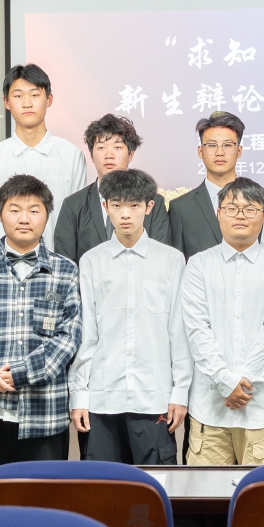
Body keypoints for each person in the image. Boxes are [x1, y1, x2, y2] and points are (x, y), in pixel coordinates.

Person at [0, 174, 82, 466]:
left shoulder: (65, 271)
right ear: (0, 214)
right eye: (14, 209)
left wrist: (20, 373)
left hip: (44, 409)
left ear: (47, 215)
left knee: (44, 492)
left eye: (34, 210)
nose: (24, 218)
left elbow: (69, 336)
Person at [68, 168, 188, 465]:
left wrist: (180, 392)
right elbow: (87, 334)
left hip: (154, 397)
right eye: (117, 205)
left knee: (156, 485)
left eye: (134, 205)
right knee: (103, 485)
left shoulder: (171, 260)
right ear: (105, 206)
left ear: (149, 206)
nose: (125, 214)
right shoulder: (91, 261)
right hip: (102, 398)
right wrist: (79, 394)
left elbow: (179, 332)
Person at [177, 178, 264, 467]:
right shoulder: (198, 265)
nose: (240, 215)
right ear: (218, 214)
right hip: (210, 408)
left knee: (262, 493)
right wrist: (224, 381)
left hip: (261, 409)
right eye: (232, 208)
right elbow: (197, 330)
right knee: (206, 491)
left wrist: (239, 385)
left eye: (250, 209)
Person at [0, 65, 87, 255]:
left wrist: (61, 266)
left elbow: (78, 224)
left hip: (56, 267)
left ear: (49, 99)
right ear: (6, 102)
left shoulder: (71, 156)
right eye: (18, 96)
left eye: (35, 95)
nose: (27, 103)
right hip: (0, 267)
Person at [53, 114, 175, 266]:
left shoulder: (153, 202)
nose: (109, 155)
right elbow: (65, 264)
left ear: (130, 154)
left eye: (117, 147)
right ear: (91, 156)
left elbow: (162, 257)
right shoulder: (73, 205)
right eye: (101, 148)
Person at [167, 112, 246, 259]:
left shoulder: (258, 202)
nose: (220, 153)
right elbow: (177, 263)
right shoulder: (181, 208)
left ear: (239, 151)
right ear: (200, 151)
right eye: (212, 145)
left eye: (227, 145)